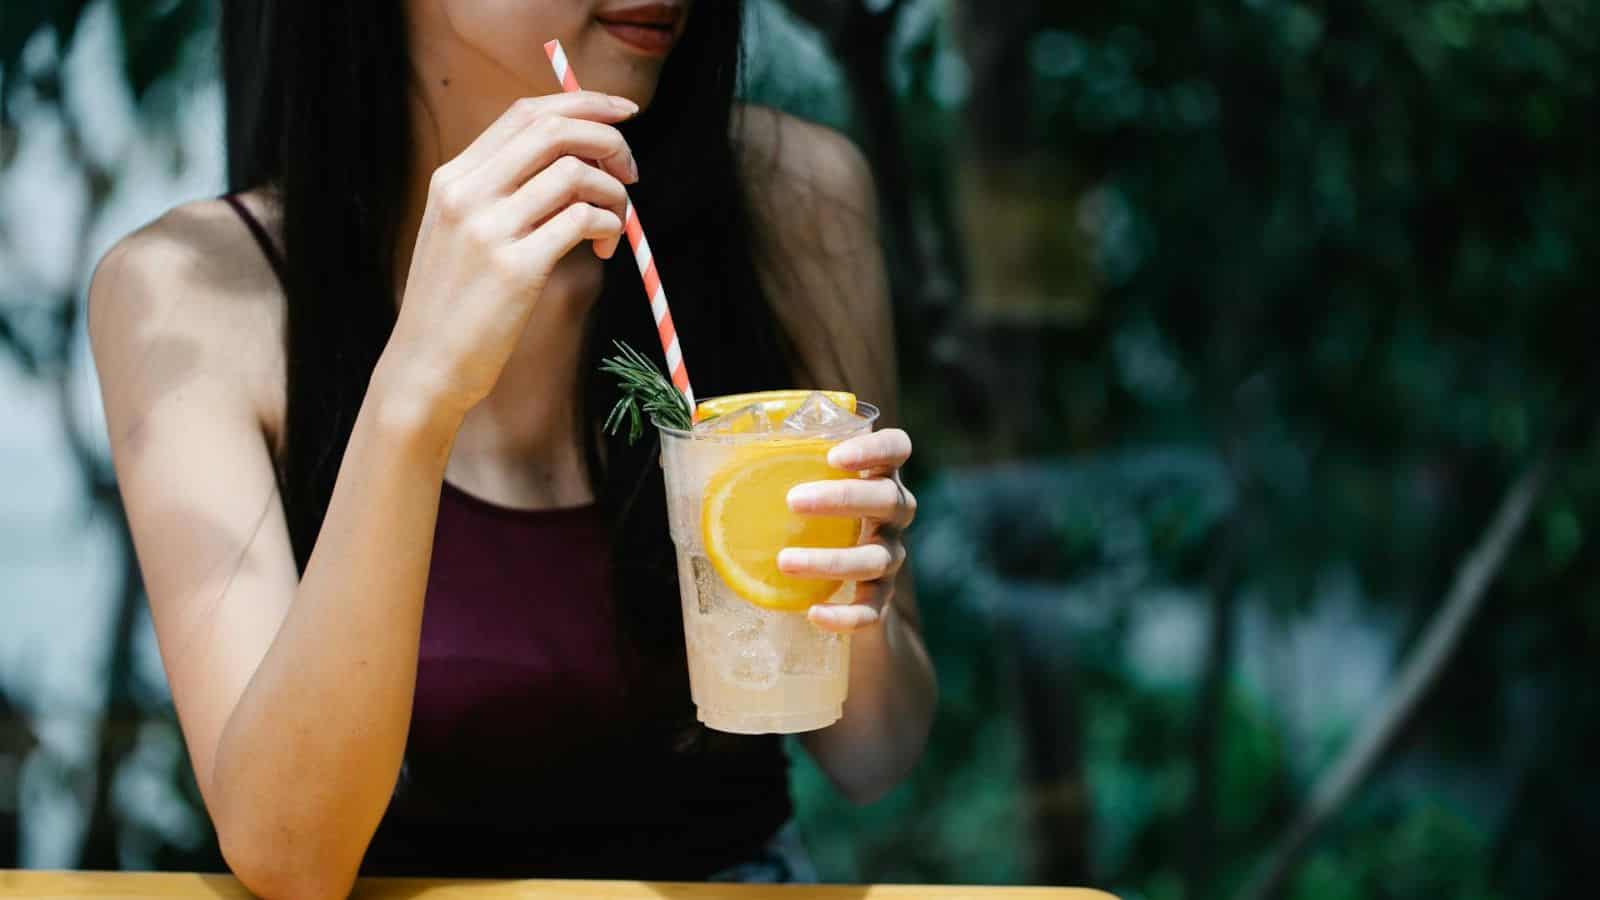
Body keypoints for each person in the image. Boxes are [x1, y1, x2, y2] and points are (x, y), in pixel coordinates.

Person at [88, 1, 936, 895]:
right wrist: (416, 392)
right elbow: (290, 855)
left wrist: (855, 602)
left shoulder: (792, 196)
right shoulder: (185, 294)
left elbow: (875, 754)